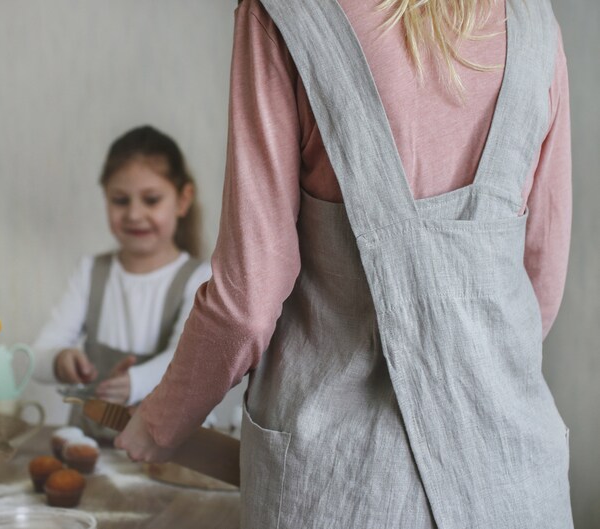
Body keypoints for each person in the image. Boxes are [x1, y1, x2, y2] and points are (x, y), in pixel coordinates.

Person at [116, 0, 572, 528]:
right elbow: (540, 282)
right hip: (515, 480)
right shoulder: (535, 22)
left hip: (343, 486)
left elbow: (248, 299)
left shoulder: (284, 13)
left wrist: (158, 423)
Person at [32, 125, 211, 412]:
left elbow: (190, 362)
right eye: (120, 200)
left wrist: (136, 382)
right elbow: (37, 358)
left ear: (183, 200)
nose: (134, 214)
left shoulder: (200, 279)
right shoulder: (90, 272)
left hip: (172, 453)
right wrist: (60, 359)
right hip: (93, 450)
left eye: (151, 200)